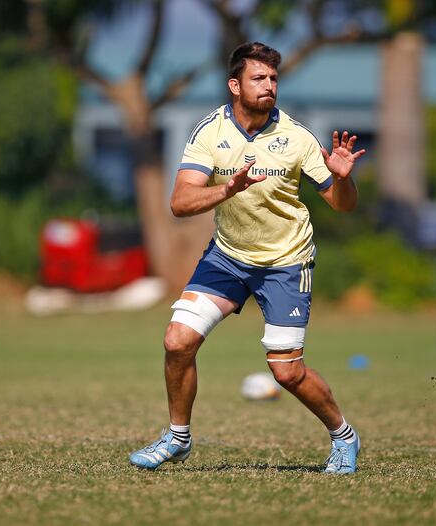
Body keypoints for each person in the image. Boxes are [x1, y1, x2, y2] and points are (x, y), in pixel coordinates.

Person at [129, 42, 366, 474]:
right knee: (177, 341)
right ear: (235, 86)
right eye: (259, 78)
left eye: (273, 78)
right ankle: (178, 438)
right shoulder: (210, 131)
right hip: (228, 257)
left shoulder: (297, 136)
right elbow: (180, 203)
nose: (269, 85)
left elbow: (342, 205)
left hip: (286, 261)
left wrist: (343, 179)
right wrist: (227, 189)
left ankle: (344, 436)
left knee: (286, 372)